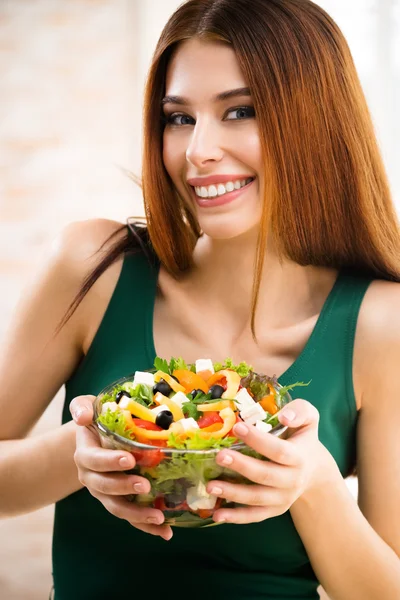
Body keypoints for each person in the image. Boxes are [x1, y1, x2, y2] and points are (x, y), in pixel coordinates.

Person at [1, 0, 400, 598]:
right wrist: (92, 451)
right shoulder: (95, 266)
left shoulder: (381, 323)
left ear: (318, 121)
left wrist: (314, 482)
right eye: (179, 117)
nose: (198, 151)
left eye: (240, 111)